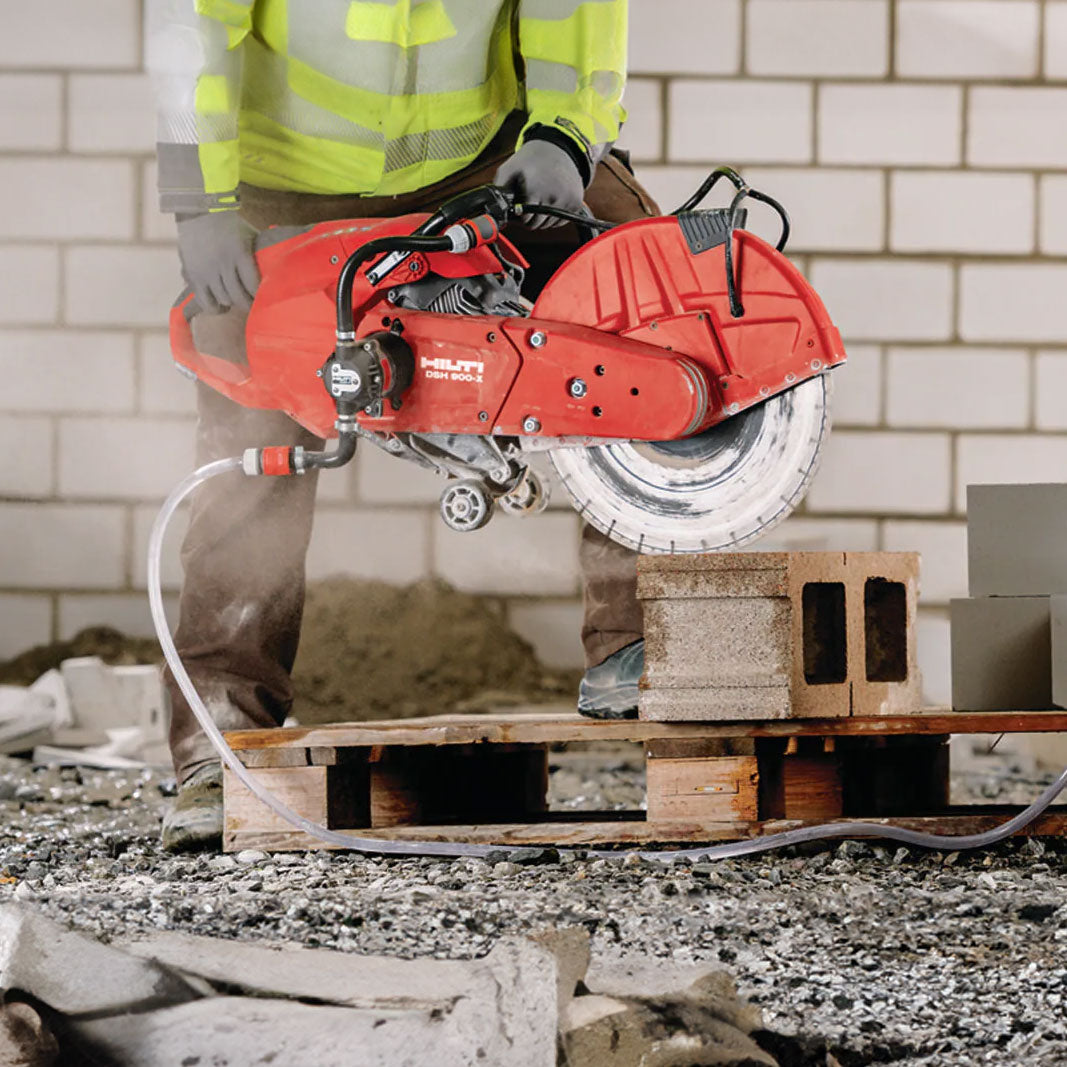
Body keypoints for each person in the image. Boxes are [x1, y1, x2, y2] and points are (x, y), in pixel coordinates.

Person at [147, 0, 654, 851]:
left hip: (485, 162)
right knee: (251, 444)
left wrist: (563, 138)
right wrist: (201, 204)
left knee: (642, 299)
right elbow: (194, 28)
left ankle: (645, 651)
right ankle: (220, 749)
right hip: (283, 183)